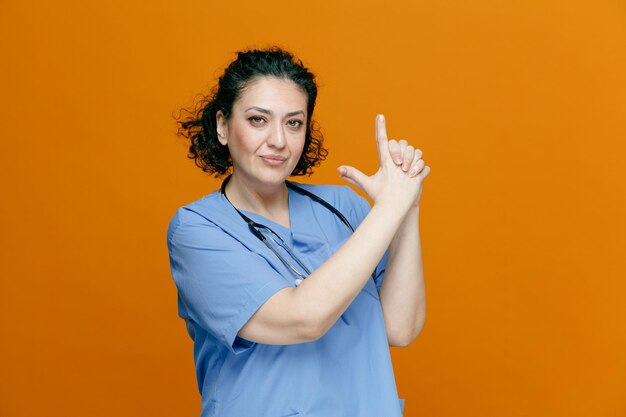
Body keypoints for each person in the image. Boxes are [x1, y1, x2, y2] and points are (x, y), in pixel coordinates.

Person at [166, 46, 431, 417]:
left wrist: (407, 203)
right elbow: (303, 318)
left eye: (294, 122)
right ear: (223, 126)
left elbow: (400, 328)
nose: (278, 140)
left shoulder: (345, 207)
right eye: (258, 120)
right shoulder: (197, 230)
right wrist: (388, 209)